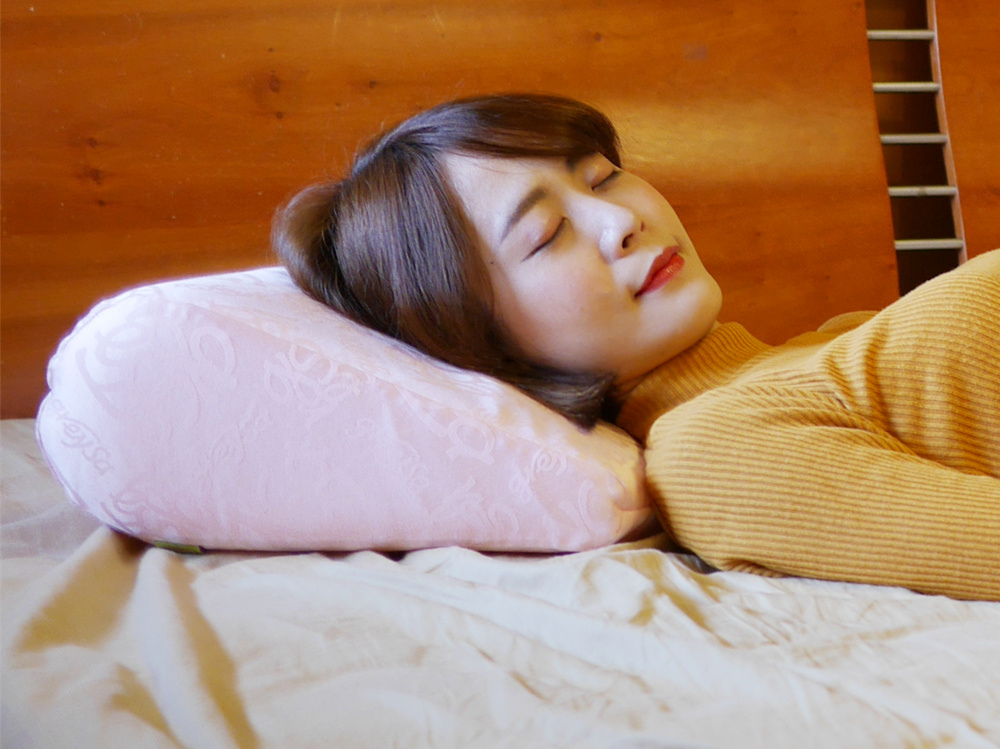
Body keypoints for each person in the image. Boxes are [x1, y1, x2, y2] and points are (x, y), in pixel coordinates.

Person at [273, 93, 1000, 601]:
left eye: (603, 176)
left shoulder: (833, 344)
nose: (618, 220)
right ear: (478, 341)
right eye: (546, 235)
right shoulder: (712, 450)